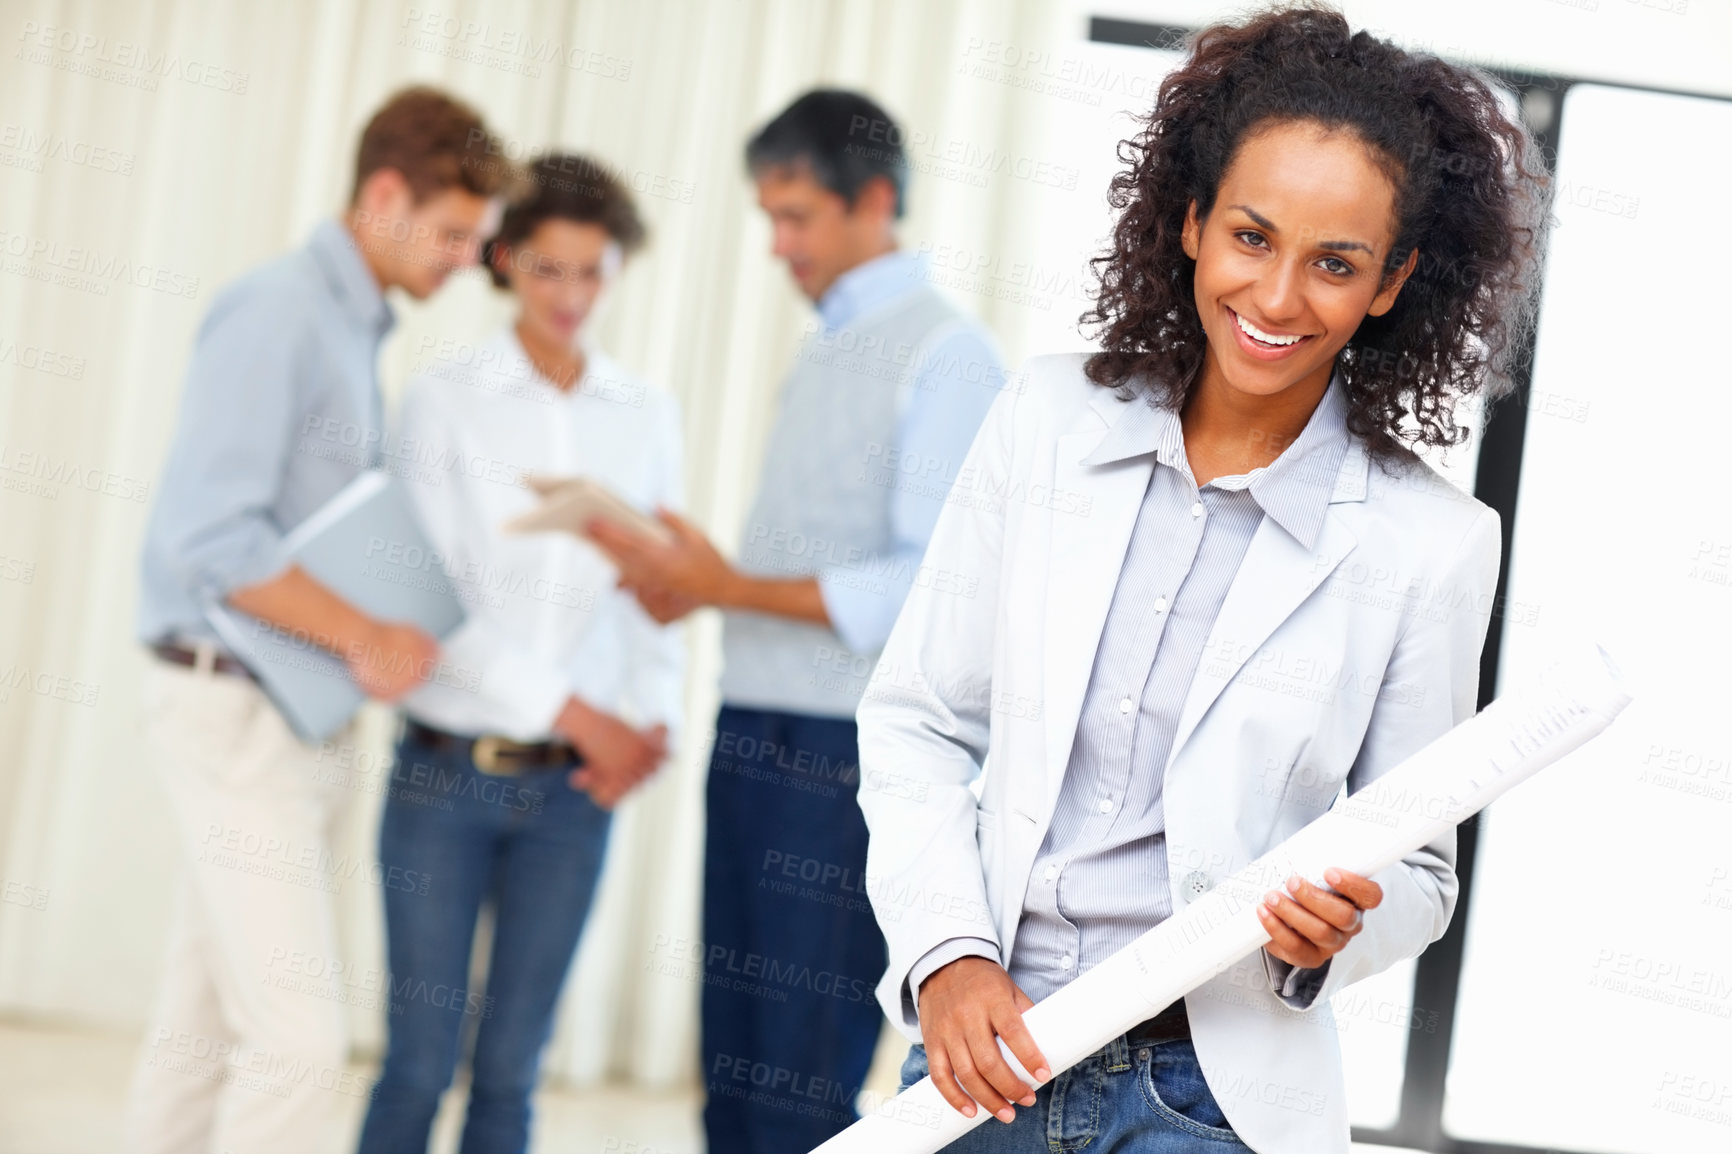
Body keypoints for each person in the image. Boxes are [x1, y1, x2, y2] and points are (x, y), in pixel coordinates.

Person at [857, 8, 1550, 1153]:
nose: (1278, 298)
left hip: (1211, 1097)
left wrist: (1333, 932)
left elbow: (1421, 869)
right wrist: (948, 957)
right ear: (1190, 220)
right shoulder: (1043, 419)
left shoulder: (1430, 544)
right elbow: (920, 722)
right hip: (986, 1048)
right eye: (1251, 236)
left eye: (1335, 263)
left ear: (1392, 282)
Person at [589, 90, 1009, 1152]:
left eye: (796, 215)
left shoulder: (946, 354)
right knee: (730, 1055)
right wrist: (698, 578)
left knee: (796, 1074)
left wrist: (724, 583)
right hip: (755, 723)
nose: (777, 245)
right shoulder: (828, 343)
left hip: (838, 753)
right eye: (768, 217)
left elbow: (921, 588)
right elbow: (815, 558)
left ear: (872, 200)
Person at [126, 88, 517, 1154]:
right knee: (298, 1045)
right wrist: (365, 632)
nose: (464, 261)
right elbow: (209, 540)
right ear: (384, 193)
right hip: (235, 707)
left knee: (198, 1030)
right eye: (452, 234)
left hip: (288, 714)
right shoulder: (283, 309)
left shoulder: (349, 325)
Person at [354, 152, 684, 1154]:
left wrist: (651, 719)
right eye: (548, 270)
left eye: (593, 271)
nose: (572, 296)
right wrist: (584, 714)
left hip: (571, 799)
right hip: (443, 782)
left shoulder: (644, 412)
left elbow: (651, 586)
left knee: (511, 1072)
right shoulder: (443, 400)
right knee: (416, 1061)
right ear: (505, 261)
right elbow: (431, 608)